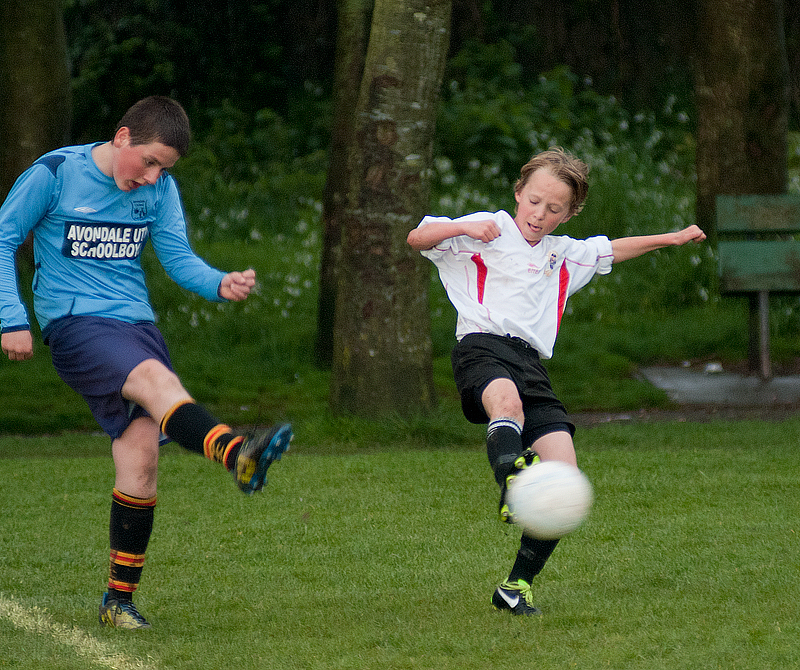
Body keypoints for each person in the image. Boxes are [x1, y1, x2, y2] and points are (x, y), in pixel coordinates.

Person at [0, 96, 293, 630]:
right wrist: (10, 316)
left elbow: (179, 260)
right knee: (158, 383)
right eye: (150, 162)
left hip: (135, 323)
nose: (155, 177)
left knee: (140, 455)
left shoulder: (160, 192)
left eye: (166, 169)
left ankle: (118, 603)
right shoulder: (55, 173)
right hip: (75, 322)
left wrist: (219, 283)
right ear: (122, 137)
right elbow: (3, 238)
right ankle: (235, 452)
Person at [407, 147, 706, 616]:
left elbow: (615, 248)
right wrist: (463, 226)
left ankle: (515, 586)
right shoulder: (489, 228)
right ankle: (511, 481)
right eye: (534, 202)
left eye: (554, 209)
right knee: (505, 404)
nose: (540, 214)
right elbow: (417, 237)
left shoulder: (563, 255)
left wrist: (672, 238)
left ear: (569, 214)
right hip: (482, 347)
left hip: (532, 366)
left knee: (566, 479)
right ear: (519, 193)